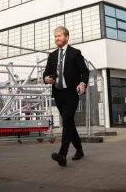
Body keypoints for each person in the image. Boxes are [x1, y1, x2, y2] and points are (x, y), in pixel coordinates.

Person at [43, 26, 89, 167]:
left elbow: (85, 72)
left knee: (67, 120)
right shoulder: (52, 55)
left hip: (71, 93)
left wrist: (82, 83)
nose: (56, 39)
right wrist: (46, 78)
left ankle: (62, 154)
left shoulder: (75, 53)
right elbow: (46, 73)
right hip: (58, 93)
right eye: (55, 36)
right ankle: (79, 150)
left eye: (59, 36)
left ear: (67, 37)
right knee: (69, 122)